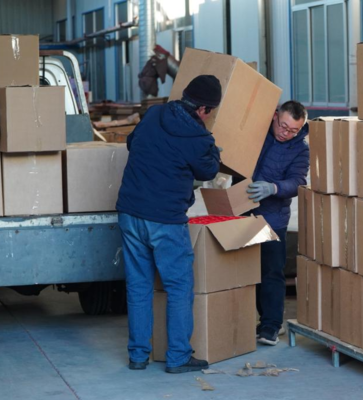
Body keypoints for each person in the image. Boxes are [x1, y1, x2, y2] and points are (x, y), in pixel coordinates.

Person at [116, 75, 222, 373]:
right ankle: (177, 356)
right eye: (211, 111)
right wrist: (214, 150)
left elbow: (131, 142)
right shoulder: (198, 138)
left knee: (138, 286)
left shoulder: (154, 114)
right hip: (165, 219)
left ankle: (138, 356)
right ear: (203, 109)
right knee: (178, 287)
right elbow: (209, 169)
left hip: (130, 212)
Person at [247, 101, 310, 346]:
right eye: (283, 126)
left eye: (293, 130)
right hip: (243, 212)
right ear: (274, 117)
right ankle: (255, 320)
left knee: (271, 271)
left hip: (273, 218)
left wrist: (273, 188)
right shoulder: (258, 134)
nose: (286, 133)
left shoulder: (300, 149)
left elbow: (297, 181)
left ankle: (271, 327)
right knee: (246, 271)